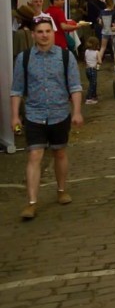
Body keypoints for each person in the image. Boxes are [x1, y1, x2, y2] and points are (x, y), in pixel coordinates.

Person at [11, 17, 84, 220]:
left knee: (59, 152)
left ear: (53, 33)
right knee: (34, 155)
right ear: (33, 35)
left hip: (60, 113)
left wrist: (77, 111)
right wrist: (15, 116)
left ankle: (61, 190)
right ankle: (32, 202)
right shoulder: (24, 58)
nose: (44, 35)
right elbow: (16, 90)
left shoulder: (65, 56)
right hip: (34, 114)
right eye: (40, 32)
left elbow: (75, 86)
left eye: (47, 31)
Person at [83, 36, 100, 104]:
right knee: (93, 84)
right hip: (93, 69)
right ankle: (89, 98)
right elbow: (100, 61)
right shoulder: (97, 52)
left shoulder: (86, 51)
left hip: (87, 69)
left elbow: (85, 59)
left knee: (92, 83)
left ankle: (94, 95)